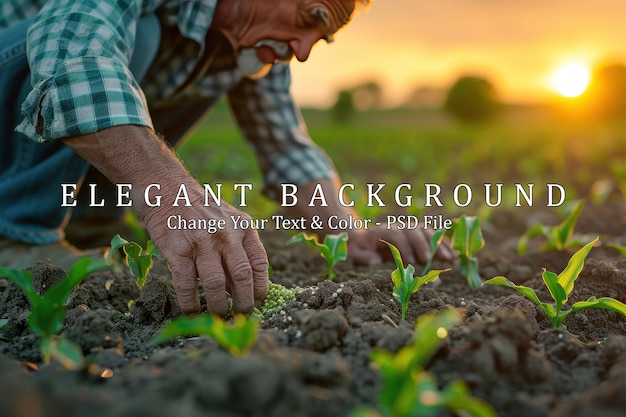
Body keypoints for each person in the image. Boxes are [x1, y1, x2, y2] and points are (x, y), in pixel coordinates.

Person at [0, 0, 451, 316]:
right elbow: (70, 54)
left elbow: (285, 145)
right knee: (134, 44)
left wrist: (350, 233)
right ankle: (16, 234)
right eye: (307, 18)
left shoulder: (248, 49)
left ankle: (85, 228)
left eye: (319, 39)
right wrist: (170, 194)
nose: (303, 50)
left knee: (204, 67)